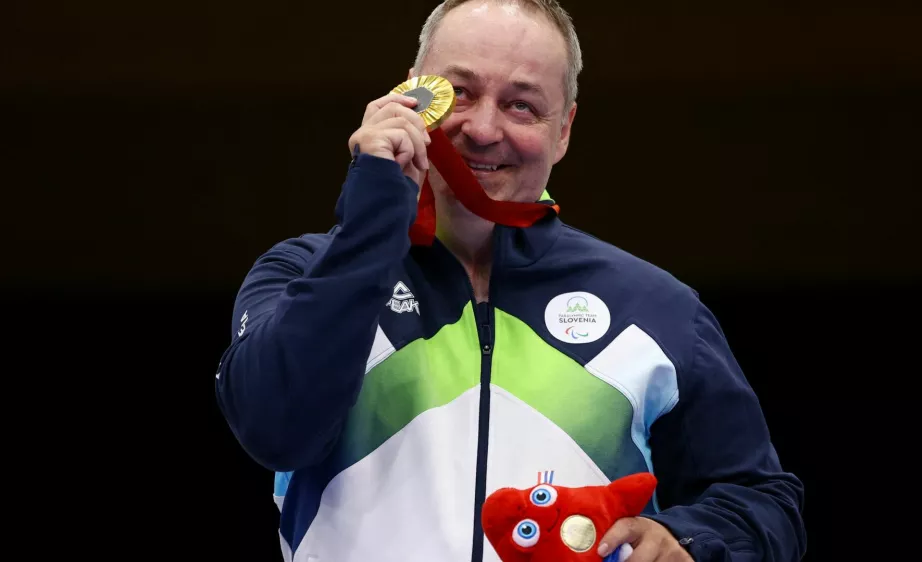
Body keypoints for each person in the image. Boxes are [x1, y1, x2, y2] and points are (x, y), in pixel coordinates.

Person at [214, 1, 806, 561]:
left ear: (564, 130)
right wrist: (373, 212)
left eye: (522, 105)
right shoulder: (303, 273)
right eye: (458, 92)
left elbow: (766, 505)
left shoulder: (656, 309)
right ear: (409, 95)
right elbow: (276, 430)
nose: (482, 128)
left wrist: (685, 539)